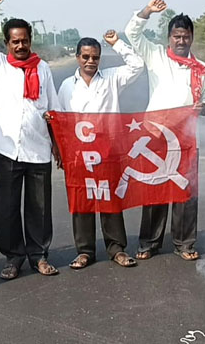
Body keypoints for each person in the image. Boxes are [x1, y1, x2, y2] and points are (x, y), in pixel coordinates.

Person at [0, 0, 60, 279]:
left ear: (31, 41)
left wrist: (57, 145)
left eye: (25, 41)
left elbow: (52, 109)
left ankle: (39, 254)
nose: (21, 45)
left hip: (38, 148)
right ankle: (13, 257)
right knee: (7, 207)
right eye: (15, 41)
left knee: (39, 207)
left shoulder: (43, 68)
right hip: (6, 149)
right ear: (7, 43)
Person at [124, 0, 205, 261]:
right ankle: (149, 242)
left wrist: (204, 109)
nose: (181, 41)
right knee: (154, 187)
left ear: (191, 38)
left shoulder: (202, 70)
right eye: (176, 36)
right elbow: (132, 32)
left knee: (186, 191)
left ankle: (184, 242)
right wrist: (146, 11)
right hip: (155, 136)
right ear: (168, 38)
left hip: (187, 139)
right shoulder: (155, 55)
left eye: (185, 36)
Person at [56, 30, 144, 269]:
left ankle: (116, 249)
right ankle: (84, 251)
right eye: (85, 57)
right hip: (79, 154)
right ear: (77, 57)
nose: (90, 62)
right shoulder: (66, 87)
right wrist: (62, 151)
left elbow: (137, 65)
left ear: (100, 58)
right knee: (81, 200)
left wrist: (117, 43)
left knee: (110, 199)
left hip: (108, 150)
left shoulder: (112, 78)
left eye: (95, 57)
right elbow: (62, 121)